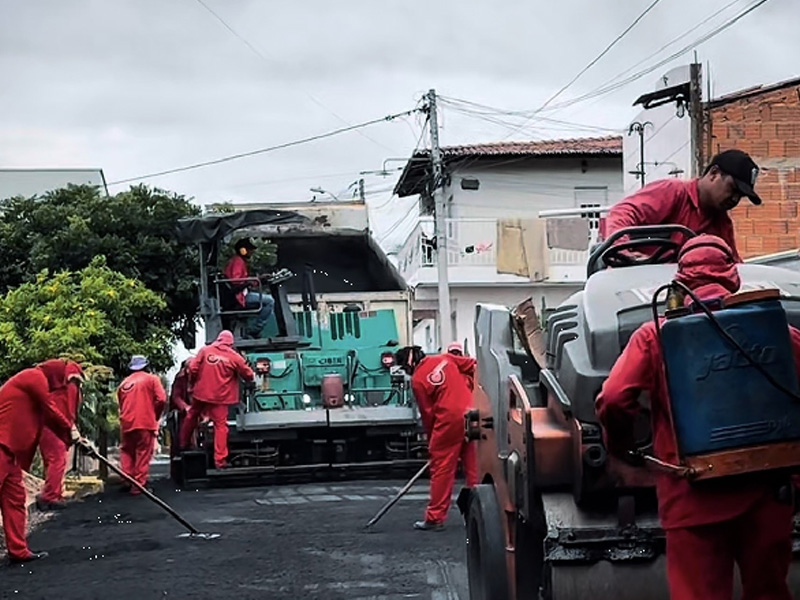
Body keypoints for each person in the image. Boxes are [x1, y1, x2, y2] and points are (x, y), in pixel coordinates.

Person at [595, 234, 799, 600]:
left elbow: (613, 398)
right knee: (769, 592)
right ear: (734, 276)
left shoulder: (654, 335)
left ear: (680, 281)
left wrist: (624, 449)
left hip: (692, 496)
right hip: (767, 492)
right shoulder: (781, 332)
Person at [604, 149, 764, 263]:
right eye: (733, 189)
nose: (734, 199)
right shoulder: (673, 192)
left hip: (682, 297)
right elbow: (622, 213)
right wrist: (622, 250)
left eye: (740, 196)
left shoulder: (722, 224)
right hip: (637, 288)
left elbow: (733, 264)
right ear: (714, 173)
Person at [0, 359, 83, 563]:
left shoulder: (36, 383)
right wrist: (70, 429)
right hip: (2, 446)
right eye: (68, 378)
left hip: (10, 453)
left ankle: (18, 551)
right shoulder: (34, 376)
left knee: (16, 500)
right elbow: (50, 407)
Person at [396, 345, 478, 531]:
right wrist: (469, 388)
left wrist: (433, 444)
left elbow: (428, 414)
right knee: (474, 465)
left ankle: (435, 517)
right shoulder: (447, 358)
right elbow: (474, 365)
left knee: (442, 469)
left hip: (448, 421)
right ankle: (478, 507)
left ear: (409, 363)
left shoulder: (418, 381)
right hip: (471, 415)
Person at [179, 330, 255, 470]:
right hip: (220, 398)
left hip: (200, 394)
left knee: (192, 416)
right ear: (231, 343)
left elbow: (193, 369)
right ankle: (220, 461)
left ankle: (183, 443)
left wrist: (193, 384)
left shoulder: (205, 351)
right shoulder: (234, 357)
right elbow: (248, 374)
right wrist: (251, 379)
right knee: (220, 427)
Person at [36, 361, 86, 511]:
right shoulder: (67, 387)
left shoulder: (52, 389)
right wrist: (71, 428)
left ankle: (55, 494)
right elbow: (66, 411)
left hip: (48, 427)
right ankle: (50, 497)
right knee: (57, 460)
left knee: (53, 461)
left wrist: (71, 430)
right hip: (52, 428)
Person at [116, 355, 167, 494]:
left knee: (127, 451)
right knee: (143, 452)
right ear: (146, 366)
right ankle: (138, 486)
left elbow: (121, 405)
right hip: (145, 422)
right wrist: (155, 415)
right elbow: (161, 399)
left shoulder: (123, 384)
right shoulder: (152, 379)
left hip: (126, 422)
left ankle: (127, 479)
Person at [223, 237, 276, 338]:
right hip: (239, 297)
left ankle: (253, 328)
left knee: (266, 299)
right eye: (249, 249)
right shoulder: (238, 261)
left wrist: (259, 281)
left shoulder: (239, 261)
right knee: (269, 301)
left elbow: (245, 281)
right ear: (243, 250)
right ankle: (254, 330)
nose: (251, 252)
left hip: (242, 294)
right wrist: (256, 280)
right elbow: (237, 282)